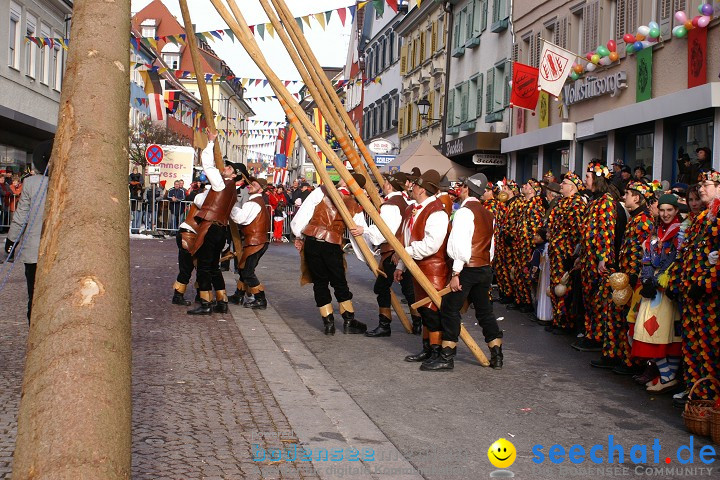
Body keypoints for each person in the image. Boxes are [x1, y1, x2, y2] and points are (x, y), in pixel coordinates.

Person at [422, 173, 503, 370]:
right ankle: (497, 354)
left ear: (466, 188)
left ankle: (447, 356)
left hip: (467, 268)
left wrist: (456, 273)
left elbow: (460, 245)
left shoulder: (465, 212)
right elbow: (490, 247)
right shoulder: (488, 213)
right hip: (484, 268)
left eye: (462, 187)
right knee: (485, 312)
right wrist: (486, 264)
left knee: (450, 309)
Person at [291, 173, 369, 335]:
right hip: (332, 244)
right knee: (339, 281)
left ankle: (328, 323)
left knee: (319, 282)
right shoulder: (354, 203)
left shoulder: (321, 191)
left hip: (312, 241)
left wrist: (299, 235)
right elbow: (359, 229)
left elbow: (301, 217)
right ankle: (348, 320)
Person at [591, 180, 654, 372]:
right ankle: (617, 357)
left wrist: (634, 277)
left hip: (633, 281)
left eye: (627, 193)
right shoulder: (634, 217)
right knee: (617, 318)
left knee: (628, 320)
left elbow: (644, 253)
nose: (624, 196)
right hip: (625, 278)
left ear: (637, 197)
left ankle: (631, 362)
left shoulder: (643, 220)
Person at [186, 133, 249, 315]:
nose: (225, 168)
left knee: (205, 266)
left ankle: (206, 303)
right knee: (213, 266)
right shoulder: (232, 191)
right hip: (221, 230)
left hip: (211, 228)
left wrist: (211, 142)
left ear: (235, 174)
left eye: (228, 168)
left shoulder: (222, 184)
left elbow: (207, 165)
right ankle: (222, 301)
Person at [671, 170, 720, 402]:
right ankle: (695, 390)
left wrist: (704, 284)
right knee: (692, 346)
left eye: (707, 184)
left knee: (710, 349)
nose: (701, 188)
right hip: (692, 293)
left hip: (709, 297)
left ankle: (709, 398)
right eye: (700, 184)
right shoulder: (701, 218)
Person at [393, 169, 450, 363]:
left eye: (415, 185)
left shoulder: (437, 212)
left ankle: (436, 351)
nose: (411, 187)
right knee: (424, 311)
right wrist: (401, 264)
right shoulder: (411, 209)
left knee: (432, 311)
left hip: (433, 269)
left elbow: (431, 245)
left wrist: (405, 254)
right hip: (416, 266)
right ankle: (427, 349)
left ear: (423, 189)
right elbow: (407, 241)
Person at [353, 172, 420, 337]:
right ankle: (418, 324)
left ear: (389, 185)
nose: (383, 185)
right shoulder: (406, 202)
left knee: (382, 288)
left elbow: (383, 232)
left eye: (385, 183)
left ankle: (385, 325)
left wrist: (365, 230)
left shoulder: (390, 205)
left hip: (392, 254)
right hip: (404, 251)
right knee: (409, 290)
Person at [573, 161, 626, 352]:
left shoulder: (605, 202)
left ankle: (597, 338)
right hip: (589, 258)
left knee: (598, 299)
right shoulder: (595, 201)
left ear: (596, 178)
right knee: (589, 298)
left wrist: (603, 258)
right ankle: (591, 334)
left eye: (587, 177)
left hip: (598, 262)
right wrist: (581, 255)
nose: (585, 180)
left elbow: (606, 232)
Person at [632, 194, 683, 393]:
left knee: (667, 335)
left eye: (669, 210)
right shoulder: (655, 231)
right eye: (662, 210)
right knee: (650, 332)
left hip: (668, 289)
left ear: (676, 211)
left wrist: (663, 281)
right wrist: (646, 280)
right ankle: (666, 376)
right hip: (654, 289)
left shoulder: (680, 232)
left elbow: (675, 261)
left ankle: (668, 376)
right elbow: (646, 258)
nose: (665, 214)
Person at [4, 140, 52, 322]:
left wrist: (10, 241)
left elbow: (21, 216)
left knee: (34, 295)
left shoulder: (31, 183)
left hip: (34, 251)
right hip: (57, 251)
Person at [546, 172, 586, 335]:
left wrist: (574, 255)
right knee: (556, 286)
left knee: (564, 287)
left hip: (566, 255)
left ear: (573, 187)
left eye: (564, 183)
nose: (560, 185)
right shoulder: (561, 203)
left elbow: (578, 232)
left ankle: (565, 322)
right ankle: (558, 319)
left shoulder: (577, 204)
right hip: (557, 253)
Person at [228, 177, 271, 309]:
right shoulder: (255, 201)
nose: (250, 186)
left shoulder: (253, 203)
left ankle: (260, 299)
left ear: (261, 189)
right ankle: (238, 295)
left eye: (254, 184)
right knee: (243, 269)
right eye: (250, 184)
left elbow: (240, 219)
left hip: (255, 242)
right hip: (254, 241)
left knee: (247, 272)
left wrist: (231, 207)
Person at [508, 179, 545, 314]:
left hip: (527, 246)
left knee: (527, 273)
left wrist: (531, 245)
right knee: (519, 271)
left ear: (532, 190)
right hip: (520, 244)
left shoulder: (536, 205)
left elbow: (536, 229)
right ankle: (520, 299)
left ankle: (528, 301)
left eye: (527, 185)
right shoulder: (524, 204)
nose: (523, 186)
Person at [171, 184, 210, 306]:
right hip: (188, 235)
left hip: (196, 236)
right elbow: (200, 200)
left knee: (200, 266)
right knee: (187, 268)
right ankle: (178, 295)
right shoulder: (203, 197)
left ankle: (200, 295)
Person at [495, 180, 522, 304]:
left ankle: (512, 295)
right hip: (502, 241)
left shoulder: (517, 203)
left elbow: (516, 221)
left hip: (511, 242)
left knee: (511, 269)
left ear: (512, 191)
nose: (503, 190)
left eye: (506, 188)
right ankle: (505, 292)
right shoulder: (503, 203)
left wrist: (511, 236)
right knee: (502, 268)